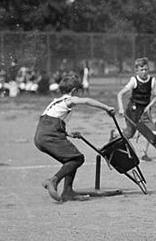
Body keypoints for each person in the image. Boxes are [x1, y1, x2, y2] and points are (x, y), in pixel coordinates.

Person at [34, 74, 115, 202]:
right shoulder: (68, 100)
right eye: (78, 91)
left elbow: (50, 122)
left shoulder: (54, 102)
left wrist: (68, 133)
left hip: (40, 137)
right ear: (73, 91)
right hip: (50, 136)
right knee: (78, 158)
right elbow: (87, 101)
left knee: (71, 160)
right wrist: (106, 108)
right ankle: (53, 181)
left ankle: (68, 192)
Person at [117, 57, 156, 140]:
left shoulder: (152, 81)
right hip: (133, 110)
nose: (144, 72)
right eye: (142, 70)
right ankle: (115, 134)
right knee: (130, 133)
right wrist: (121, 108)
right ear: (137, 71)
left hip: (145, 111)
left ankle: (148, 152)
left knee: (153, 133)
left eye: (146, 69)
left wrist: (148, 107)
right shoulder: (134, 80)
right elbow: (120, 94)